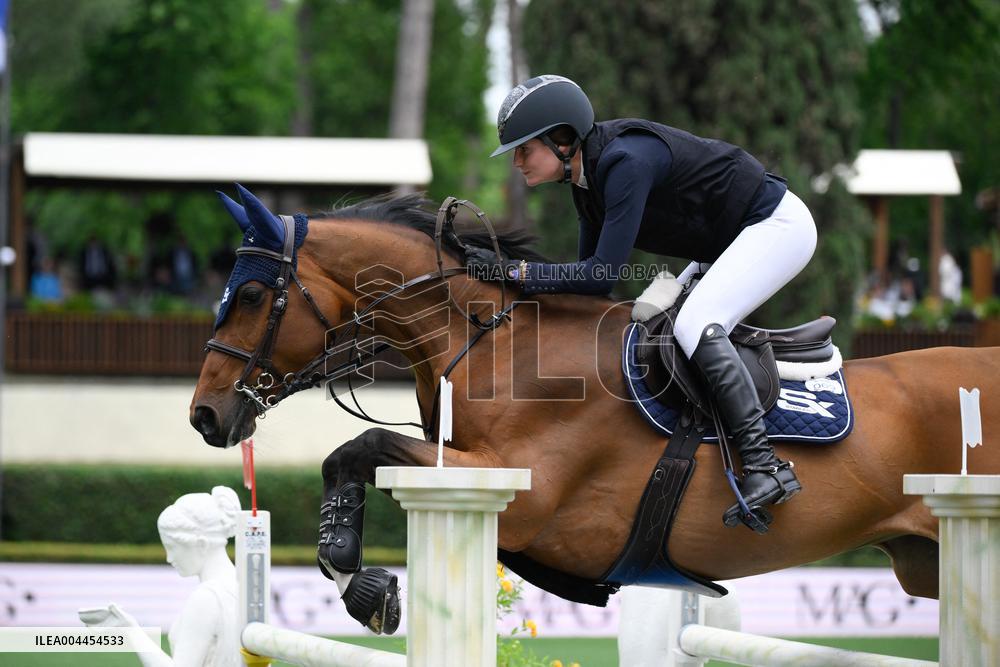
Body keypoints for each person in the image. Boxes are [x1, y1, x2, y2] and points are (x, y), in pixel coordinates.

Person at [468, 75, 817, 530]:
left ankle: (764, 464)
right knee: (650, 319)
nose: (516, 162)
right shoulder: (585, 181)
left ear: (562, 139)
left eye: (523, 149)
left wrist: (511, 271)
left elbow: (598, 277)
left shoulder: (623, 163)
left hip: (777, 226)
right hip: (730, 242)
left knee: (695, 324)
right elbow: (587, 282)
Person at [81, 487, 242, 667]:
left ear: (201, 544)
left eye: (172, 548)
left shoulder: (207, 597)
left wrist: (130, 631)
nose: (169, 558)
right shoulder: (241, 584)